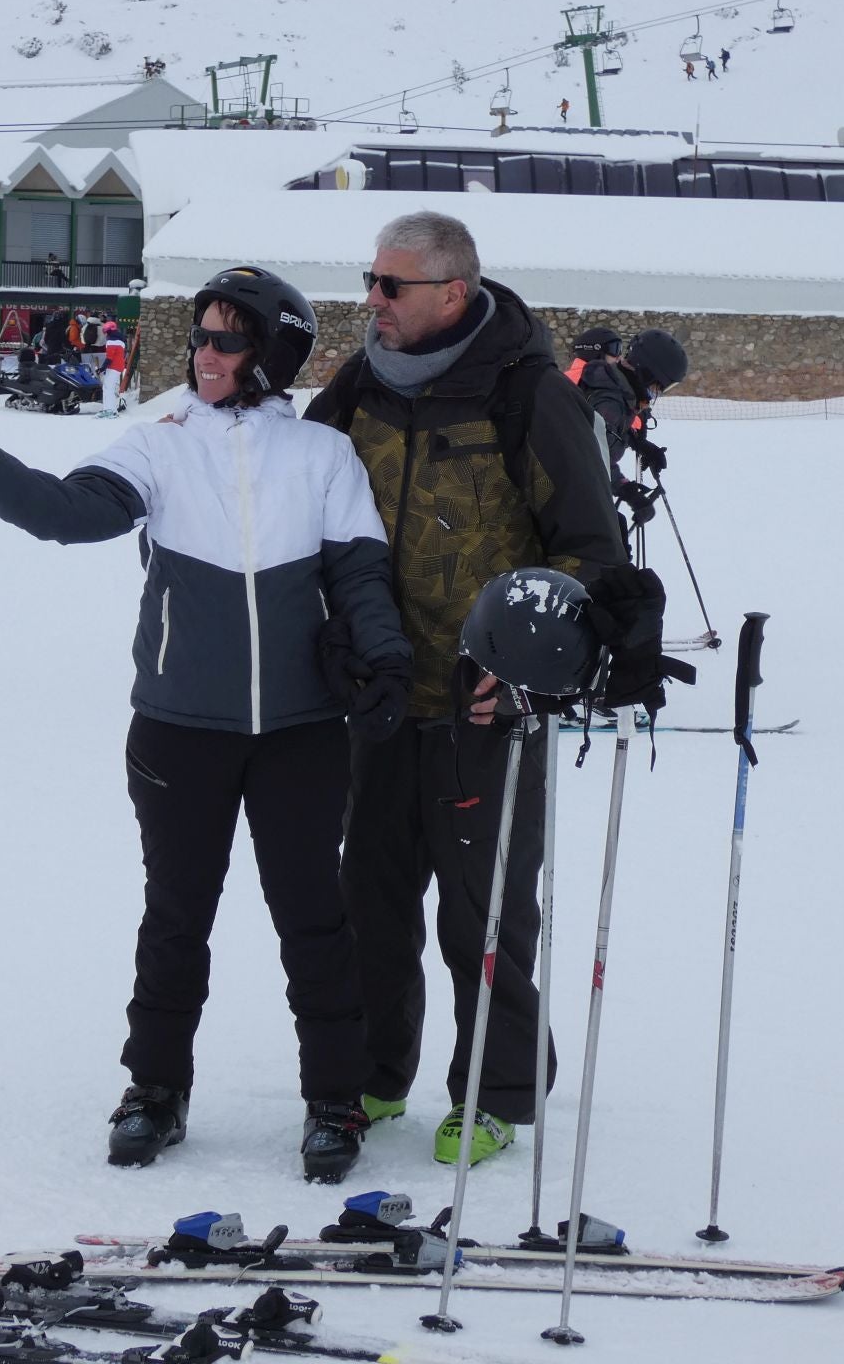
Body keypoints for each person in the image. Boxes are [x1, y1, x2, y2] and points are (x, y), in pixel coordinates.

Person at [0, 266, 413, 1184]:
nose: (205, 354)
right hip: (181, 727)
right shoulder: (158, 446)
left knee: (314, 920)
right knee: (177, 917)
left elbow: (362, 578)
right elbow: (64, 516)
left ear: (271, 353)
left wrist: (385, 665)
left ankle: (334, 1097)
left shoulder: (323, 458)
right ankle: (155, 1089)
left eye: (227, 339)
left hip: (302, 731)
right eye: (202, 336)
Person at [303, 211, 625, 1167]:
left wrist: (529, 674)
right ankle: (374, 1069)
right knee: (372, 895)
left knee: (483, 911)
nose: (371, 300)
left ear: (452, 292)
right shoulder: (357, 386)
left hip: (486, 705)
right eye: (369, 279)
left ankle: (494, 1089)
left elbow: (589, 552)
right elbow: (299, 506)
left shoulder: (528, 393)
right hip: (378, 697)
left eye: (390, 285)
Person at [582, 329, 690, 539]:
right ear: (647, 373)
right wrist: (628, 492)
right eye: (658, 386)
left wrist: (638, 443)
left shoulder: (616, 390)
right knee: (610, 544)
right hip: (566, 494)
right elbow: (593, 459)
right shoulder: (610, 401)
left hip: (578, 492)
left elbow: (604, 433)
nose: (656, 393)